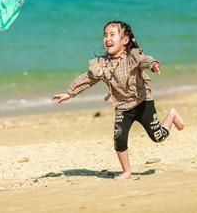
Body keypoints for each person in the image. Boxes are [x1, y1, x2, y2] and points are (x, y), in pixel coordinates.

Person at [52, 20, 185, 180]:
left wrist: (153, 64)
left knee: (158, 137)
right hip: (123, 107)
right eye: (105, 35)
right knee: (119, 138)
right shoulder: (102, 64)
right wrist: (69, 93)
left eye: (112, 34)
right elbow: (87, 79)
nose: (107, 38)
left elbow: (145, 59)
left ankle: (172, 115)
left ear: (125, 40)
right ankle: (127, 171)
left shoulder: (132, 57)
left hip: (143, 102)